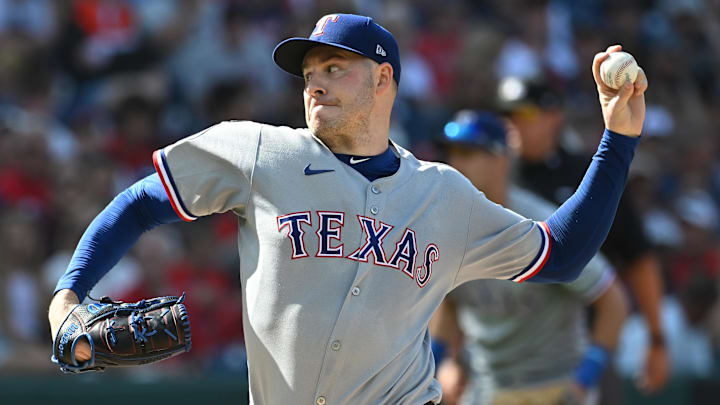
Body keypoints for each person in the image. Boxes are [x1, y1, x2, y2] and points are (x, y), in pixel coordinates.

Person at [48, 13, 648, 405]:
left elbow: (564, 255)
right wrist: (70, 293)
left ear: (382, 79)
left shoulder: (445, 195)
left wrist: (617, 139)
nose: (315, 83)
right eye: (309, 73)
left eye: (335, 68)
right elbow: (140, 203)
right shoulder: (259, 152)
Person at [429, 111, 629, 405]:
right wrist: (444, 362)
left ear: (501, 160)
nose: (457, 163)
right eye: (452, 153)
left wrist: (584, 380)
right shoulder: (447, 227)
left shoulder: (538, 224)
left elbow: (612, 300)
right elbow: (449, 303)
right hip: (488, 385)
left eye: (470, 153)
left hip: (555, 386)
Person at [500, 76, 670, 395]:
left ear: (554, 117)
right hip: (503, 359)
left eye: (524, 114)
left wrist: (656, 337)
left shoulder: (588, 172)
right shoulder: (494, 177)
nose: (512, 124)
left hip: (586, 350)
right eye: (506, 116)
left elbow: (637, 257)